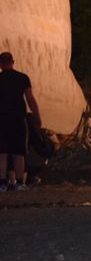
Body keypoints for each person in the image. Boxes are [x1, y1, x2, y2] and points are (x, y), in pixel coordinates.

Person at [0, 52, 41, 191]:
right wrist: (37, 115)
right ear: (13, 62)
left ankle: (2, 183)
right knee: (18, 151)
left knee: (2, 152)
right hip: (18, 118)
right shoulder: (23, 78)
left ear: (0, 64)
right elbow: (30, 98)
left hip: (1, 118)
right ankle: (19, 182)